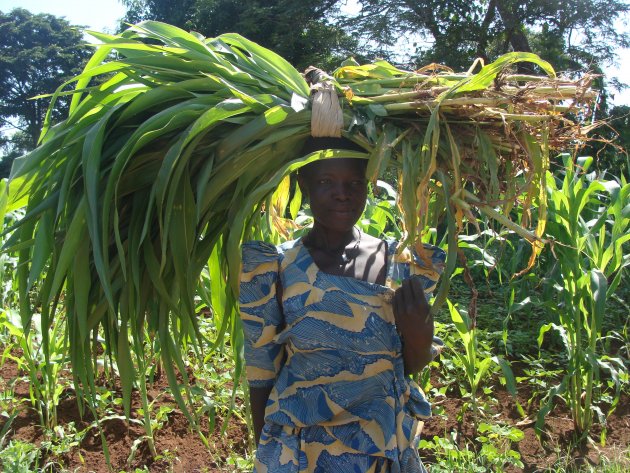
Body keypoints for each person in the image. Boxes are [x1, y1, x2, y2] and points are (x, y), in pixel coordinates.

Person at [239, 137, 445, 472]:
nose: (342, 194)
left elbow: (404, 367)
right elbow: (261, 370)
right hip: (302, 449)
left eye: (354, 183)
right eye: (325, 182)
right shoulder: (275, 268)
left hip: (378, 446)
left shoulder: (400, 264)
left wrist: (421, 339)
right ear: (303, 184)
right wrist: (265, 452)